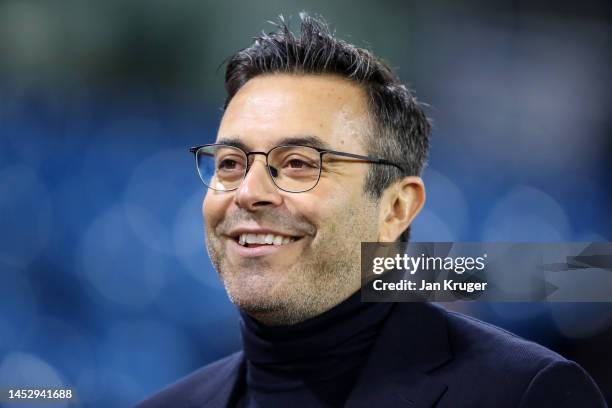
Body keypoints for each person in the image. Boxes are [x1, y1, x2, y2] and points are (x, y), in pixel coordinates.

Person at [135, 13, 607, 408]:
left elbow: (588, 273)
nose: (249, 192)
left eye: (299, 163)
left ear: (398, 207)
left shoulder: (526, 392)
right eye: (230, 163)